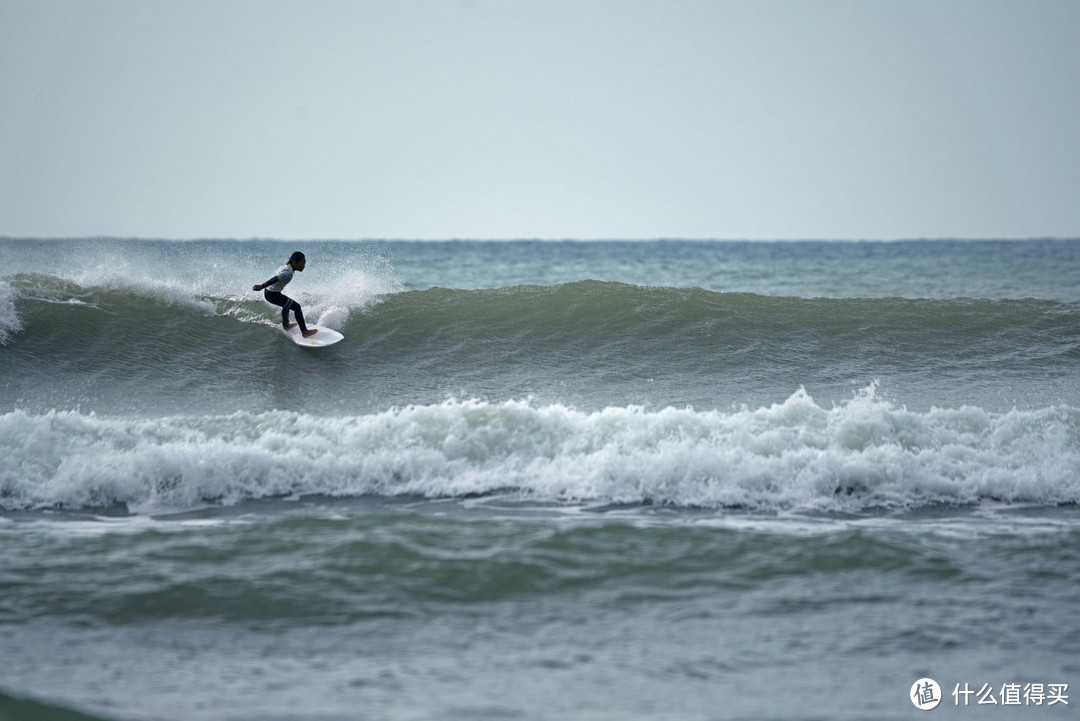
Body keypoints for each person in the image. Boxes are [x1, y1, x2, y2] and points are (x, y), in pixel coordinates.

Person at [253, 251, 317, 338]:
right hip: (272, 295)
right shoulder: (288, 272)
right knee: (297, 307)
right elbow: (275, 278)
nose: (304, 266)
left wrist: (263, 287)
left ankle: (286, 325)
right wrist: (261, 286)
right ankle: (304, 332)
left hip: (270, 292)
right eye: (302, 263)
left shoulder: (285, 267)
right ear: (295, 263)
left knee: (287, 304)